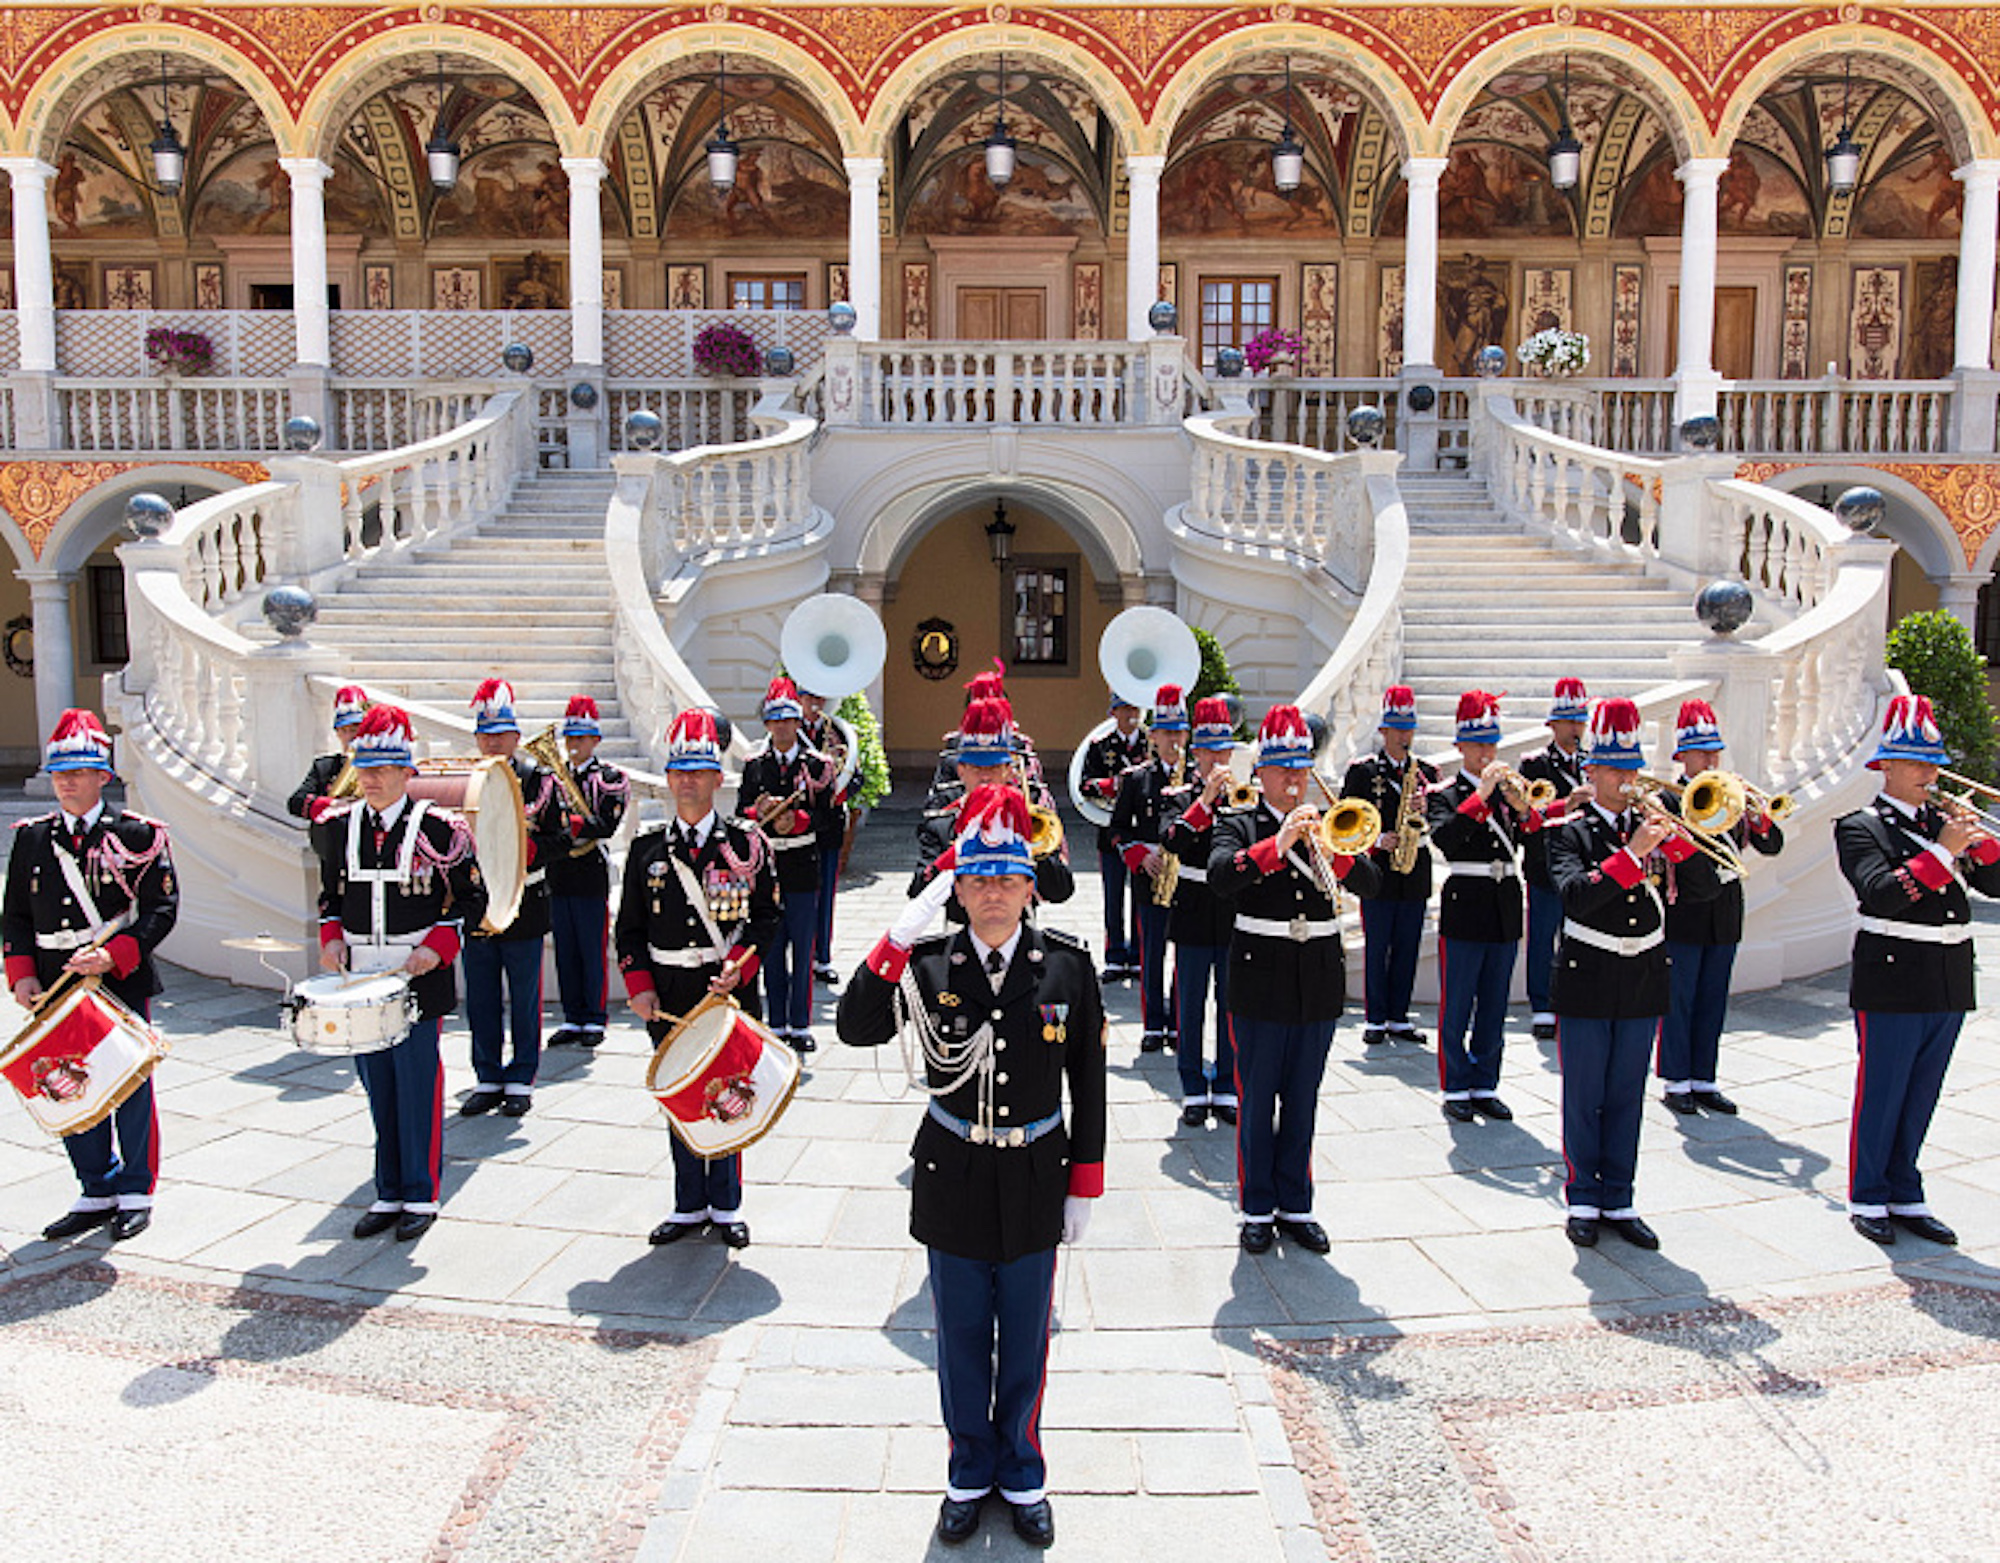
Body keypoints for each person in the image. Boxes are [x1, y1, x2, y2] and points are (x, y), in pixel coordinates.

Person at [837, 784, 1105, 1551]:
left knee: (1024, 1334)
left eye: (1007, 878)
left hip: (1032, 1174)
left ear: (1030, 887)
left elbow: (1088, 1079)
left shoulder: (1067, 968)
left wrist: (1083, 1181)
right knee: (958, 1334)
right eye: (978, 878)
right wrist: (899, 929)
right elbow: (854, 1026)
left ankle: (1022, 1468)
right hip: (952, 1168)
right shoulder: (926, 963)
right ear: (956, 887)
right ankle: (967, 1469)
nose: (993, 891)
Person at [1209, 706, 1381, 1254]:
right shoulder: (1241, 822)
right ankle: (1257, 1207)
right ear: (1259, 773)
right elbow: (1219, 878)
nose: (1293, 781)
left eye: (1301, 770)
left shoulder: (1328, 824)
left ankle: (1297, 1204)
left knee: (1302, 1097)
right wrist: (1276, 847)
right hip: (1261, 980)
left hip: (1316, 981)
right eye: (1283, 770)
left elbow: (1375, 883)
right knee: (1258, 1099)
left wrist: (1335, 852)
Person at [311, 706, 486, 1241]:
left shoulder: (441, 829)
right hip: (360, 979)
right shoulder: (337, 828)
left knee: (416, 1087)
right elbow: (331, 897)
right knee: (377, 1087)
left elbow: (474, 897)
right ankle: (387, 1191)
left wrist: (438, 946)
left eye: (384, 768)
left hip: (417, 976)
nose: (371, 778)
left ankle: (421, 1192)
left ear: (408, 772)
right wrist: (331, 937)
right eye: (364, 768)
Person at [1548, 698, 1716, 1251]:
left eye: (1632, 770)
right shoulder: (1567, 832)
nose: (1626, 780)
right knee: (1585, 1093)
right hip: (1588, 973)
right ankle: (1582, 1196)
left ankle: (1619, 1196)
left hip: (1643, 974)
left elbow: (1706, 890)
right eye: (1614, 770)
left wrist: (1681, 848)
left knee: (1625, 1093)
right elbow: (1576, 898)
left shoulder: (1659, 827)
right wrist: (1633, 853)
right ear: (1590, 773)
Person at [4, 710, 178, 1244]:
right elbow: (15, 915)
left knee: (127, 1086)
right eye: (59, 774)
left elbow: (161, 908)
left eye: (77, 774)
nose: (66, 783)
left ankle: (135, 1191)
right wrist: (21, 975)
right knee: (64, 1083)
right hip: (56, 984)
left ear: (103, 776)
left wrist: (115, 955)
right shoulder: (34, 838)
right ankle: (94, 1188)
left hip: (115, 981)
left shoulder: (136, 835)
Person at [1835, 695, 2000, 1247]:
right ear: (1885, 766)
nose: (1929, 773)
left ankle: (1905, 1189)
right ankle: (1868, 1193)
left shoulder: (1945, 822)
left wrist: (1982, 848)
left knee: (1923, 1090)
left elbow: (1994, 887)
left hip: (1949, 973)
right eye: (1915, 762)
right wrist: (1943, 852)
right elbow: (1881, 895)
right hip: (1893, 971)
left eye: (1932, 762)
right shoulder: (1860, 827)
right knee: (1883, 1090)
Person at [616, 710, 781, 1248]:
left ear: (717, 779)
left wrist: (743, 966)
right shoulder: (646, 850)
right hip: (670, 994)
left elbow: (767, 919)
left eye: (698, 772)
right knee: (680, 1097)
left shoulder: (747, 844)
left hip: (726, 993)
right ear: (668, 779)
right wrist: (639, 985)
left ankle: (726, 1204)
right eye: (679, 772)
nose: (687, 781)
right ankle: (688, 1203)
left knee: (731, 1095)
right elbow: (630, 930)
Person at [1657, 700, 1784, 1115]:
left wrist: (1756, 812)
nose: (1712, 759)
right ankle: (1677, 1080)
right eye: (1702, 752)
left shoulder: (1732, 793)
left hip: (1726, 908)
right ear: (1683, 756)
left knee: (1713, 997)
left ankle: (1704, 1078)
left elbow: (1772, 845)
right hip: (1685, 909)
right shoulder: (1668, 799)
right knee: (1680, 998)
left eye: (1715, 752)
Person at [459, 679, 570, 1117]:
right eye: (485, 735)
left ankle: (522, 1077)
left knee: (524, 996)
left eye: (500, 734)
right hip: (478, 901)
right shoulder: (469, 780)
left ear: (516, 738)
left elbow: (562, 835)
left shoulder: (537, 779)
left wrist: (528, 850)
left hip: (524, 899)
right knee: (481, 996)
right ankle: (487, 1076)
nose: (492, 742)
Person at [1427, 691, 1536, 1124]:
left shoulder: (1512, 794)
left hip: (1504, 903)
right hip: (1466, 901)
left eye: (1491, 745)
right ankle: (1456, 1085)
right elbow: (1446, 839)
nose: (1486, 753)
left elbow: (1536, 840)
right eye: (1478, 746)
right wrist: (1482, 796)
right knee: (1457, 1003)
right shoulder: (1447, 794)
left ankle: (1485, 1083)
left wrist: (1523, 809)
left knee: (1494, 1003)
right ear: (1460, 748)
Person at [737, 676, 840, 1055]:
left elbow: (832, 819)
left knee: (802, 947)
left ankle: (800, 1024)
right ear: (766, 724)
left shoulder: (818, 766)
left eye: (788, 720)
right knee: (771, 948)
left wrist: (801, 821)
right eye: (774, 721)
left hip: (801, 863)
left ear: (799, 722)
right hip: (767, 865)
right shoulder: (754, 765)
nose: (781, 728)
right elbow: (740, 815)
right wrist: (758, 812)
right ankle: (775, 1022)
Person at [911, 697, 1074, 919]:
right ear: (961, 771)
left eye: (995, 767)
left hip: (1019, 933)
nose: (985, 776)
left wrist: (1033, 843)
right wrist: (953, 855)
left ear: (1009, 770)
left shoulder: (1030, 812)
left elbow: (1060, 891)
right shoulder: (944, 818)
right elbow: (918, 891)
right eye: (977, 768)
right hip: (963, 933)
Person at [1342, 685, 1437, 1046]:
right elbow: (1346, 821)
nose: (1404, 736)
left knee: (1407, 946)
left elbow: (1439, 822)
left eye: (1408, 729)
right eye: (1397, 729)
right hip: (1378, 871)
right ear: (1383, 731)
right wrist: (1376, 839)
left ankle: (1399, 1015)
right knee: (1377, 945)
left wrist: (1425, 809)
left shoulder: (1426, 772)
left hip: (1414, 871)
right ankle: (1375, 1017)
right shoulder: (1364, 771)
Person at [1161, 697, 1240, 1126]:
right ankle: (1193, 1086)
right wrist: (1205, 802)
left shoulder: (1246, 797)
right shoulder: (1178, 796)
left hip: (1231, 912)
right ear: (1196, 754)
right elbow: (1172, 839)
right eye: (1208, 751)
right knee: (1189, 1003)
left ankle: (1226, 1084)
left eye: (1223, 751)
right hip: (1192, 907)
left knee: (1232, 1001)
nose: (1216, 759)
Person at [1110, 684, 1191, 1053]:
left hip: (1188, 883)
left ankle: (1178, 1022)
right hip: (1151, 878)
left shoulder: (1198, 780)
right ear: (1153, 736)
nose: (1173, 740)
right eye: (1165, 732)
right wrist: (1140, 855)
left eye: (1179, 732)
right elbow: (1117, 830)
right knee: (1152, 954)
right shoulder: (1137, 778)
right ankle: (1153, 1024)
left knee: (1185, 957)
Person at [546, 696, 629, 1049]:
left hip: (589, 871)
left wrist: (577, 823)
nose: (574, 745)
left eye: (581, 739)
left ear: (595, 740)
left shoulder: (609, 778)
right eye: (570, 739)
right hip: (560, 870)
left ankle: (594, 1018)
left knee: (590, 950)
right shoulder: (552, 778)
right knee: (565, 951)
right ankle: (573, 1017)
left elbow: (607, 824)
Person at [1520, 678, 1589, 1041]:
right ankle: (1542, 1005)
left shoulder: (1592, 765)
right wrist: (1569, 802)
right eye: (1569, 722)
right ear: (1553, 725)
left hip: (1582, 864)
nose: (1576, 729)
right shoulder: (1534, 764)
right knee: (1542, 938)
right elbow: (1527, 813)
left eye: (1580, 722)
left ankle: (1570, 999)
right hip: (1544, 864)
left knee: (1577, 937)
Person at [1078, 693, 1148, 980]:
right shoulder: (1100, 745)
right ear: (1113, 712)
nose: (1130, 714)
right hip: (1110, 828)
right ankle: (1115, 956)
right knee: (1113, 895)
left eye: (1134, 708)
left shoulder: (1150, 742)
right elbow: (1085, 785)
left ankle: (1137, 955)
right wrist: (1112, 785)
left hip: (1143, 828)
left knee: (1141, 895)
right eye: (1124, 708)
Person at [799, 686, 857, 991]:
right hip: (798, 825)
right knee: (800, 895)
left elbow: (854, 773)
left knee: (827, 894)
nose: (814, 704)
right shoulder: (789, 734)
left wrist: (843, 786)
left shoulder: (840, 733)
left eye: (819, 698)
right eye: (808, 698)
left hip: (830, 823)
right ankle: (800, 956)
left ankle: (822, 958)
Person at [287, 685, 370, 821]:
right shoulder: (325, 766)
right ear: (337, 734)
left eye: (354, 729)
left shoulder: (378, 766)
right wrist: (333, 803)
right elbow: (296, 802)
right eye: (344, 730)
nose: (349, 736)